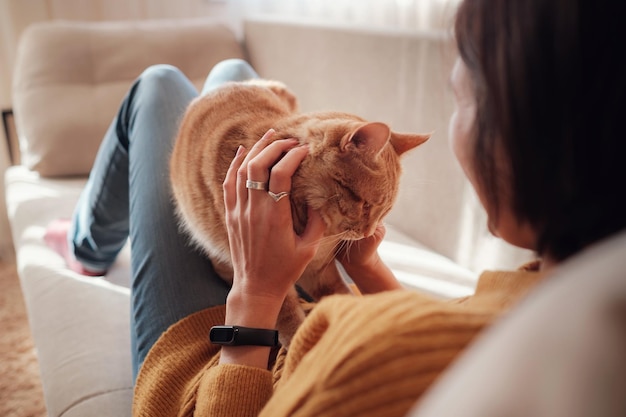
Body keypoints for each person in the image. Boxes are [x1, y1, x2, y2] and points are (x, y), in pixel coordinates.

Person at [44, 0, 626, 415]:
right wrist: (365, 268)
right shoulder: (562, 287)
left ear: (530, 131)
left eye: (461, 98)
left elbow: (399, 353)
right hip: (276, 298)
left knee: (158, 83)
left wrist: (254, 290)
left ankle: (85, 247)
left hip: (215, 364)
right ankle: (85, 241)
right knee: (232, 76)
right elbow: (437, 337)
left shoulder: (366, 370)